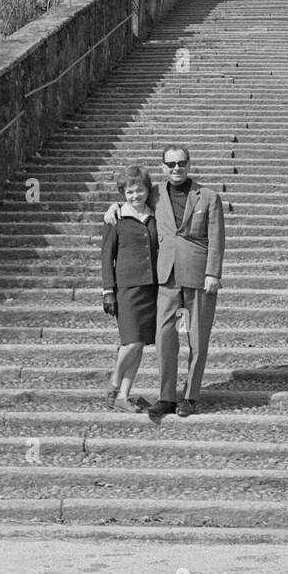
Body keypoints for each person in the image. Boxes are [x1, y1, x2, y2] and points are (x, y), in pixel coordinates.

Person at [104, 145, 224, 417]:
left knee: (198, 339)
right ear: (162, 167)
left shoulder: (208, 196)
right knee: (164, 337)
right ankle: (167, 396)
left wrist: (213, 273)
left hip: (199, 275)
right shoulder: (156, 194)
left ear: (189, 164)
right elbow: (134, 199)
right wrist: (115, 207)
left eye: (181, 163)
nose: (176, 168)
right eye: (170, 164)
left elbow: (217, 239)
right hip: (166, 276)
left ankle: (191, 396)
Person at [99, 165, 160, 412]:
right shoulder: (115, 218)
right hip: (126, 289)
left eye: (140, 190)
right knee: (131, 342)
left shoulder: (155, 214)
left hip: (152, 288)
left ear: (147, 190)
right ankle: (114, 382)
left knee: (140, 344)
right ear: (123, 193)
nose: (135, 196)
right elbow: (106, 257)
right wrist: (107, 290)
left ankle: (123, 396)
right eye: (130, 192)